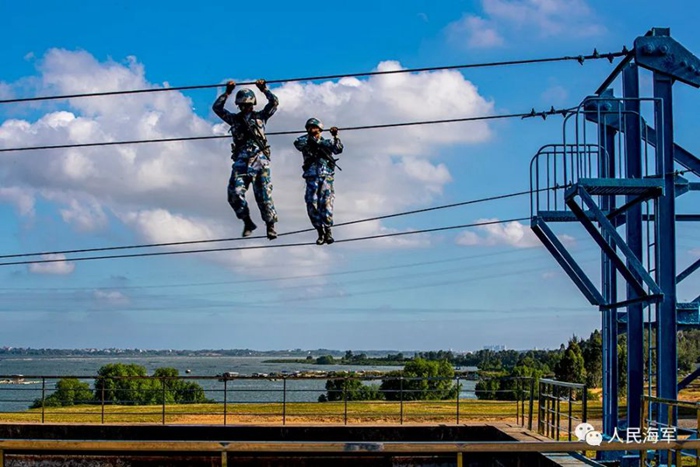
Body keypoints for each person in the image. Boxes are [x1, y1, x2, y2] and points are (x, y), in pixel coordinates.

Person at [212, 79, 279, 239]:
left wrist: (264, 89)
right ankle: (247, 221)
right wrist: (227, 93)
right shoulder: (234, 119)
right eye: (242, 105)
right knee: (234, 193)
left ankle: (270, 225)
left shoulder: (261, 116)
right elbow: (217, 108)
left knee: (263, 195)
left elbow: (274, 103)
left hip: (259, 160)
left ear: (252, 104)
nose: (245, 107)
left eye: (248, 105)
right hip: (241, 161)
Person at [293, 118, 344, 245]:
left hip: (326, 177)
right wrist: (312, 138)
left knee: (326, 204)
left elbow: (338, 149)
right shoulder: (305, 141)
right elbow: (297, 144)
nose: (311, 129)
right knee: (311, 204)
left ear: (319, 128)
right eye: (309, 127)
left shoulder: (327, 142)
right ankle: (320, 231)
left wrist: (335, 136)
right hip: (311, 177)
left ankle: (328, 230)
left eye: (313, 127)